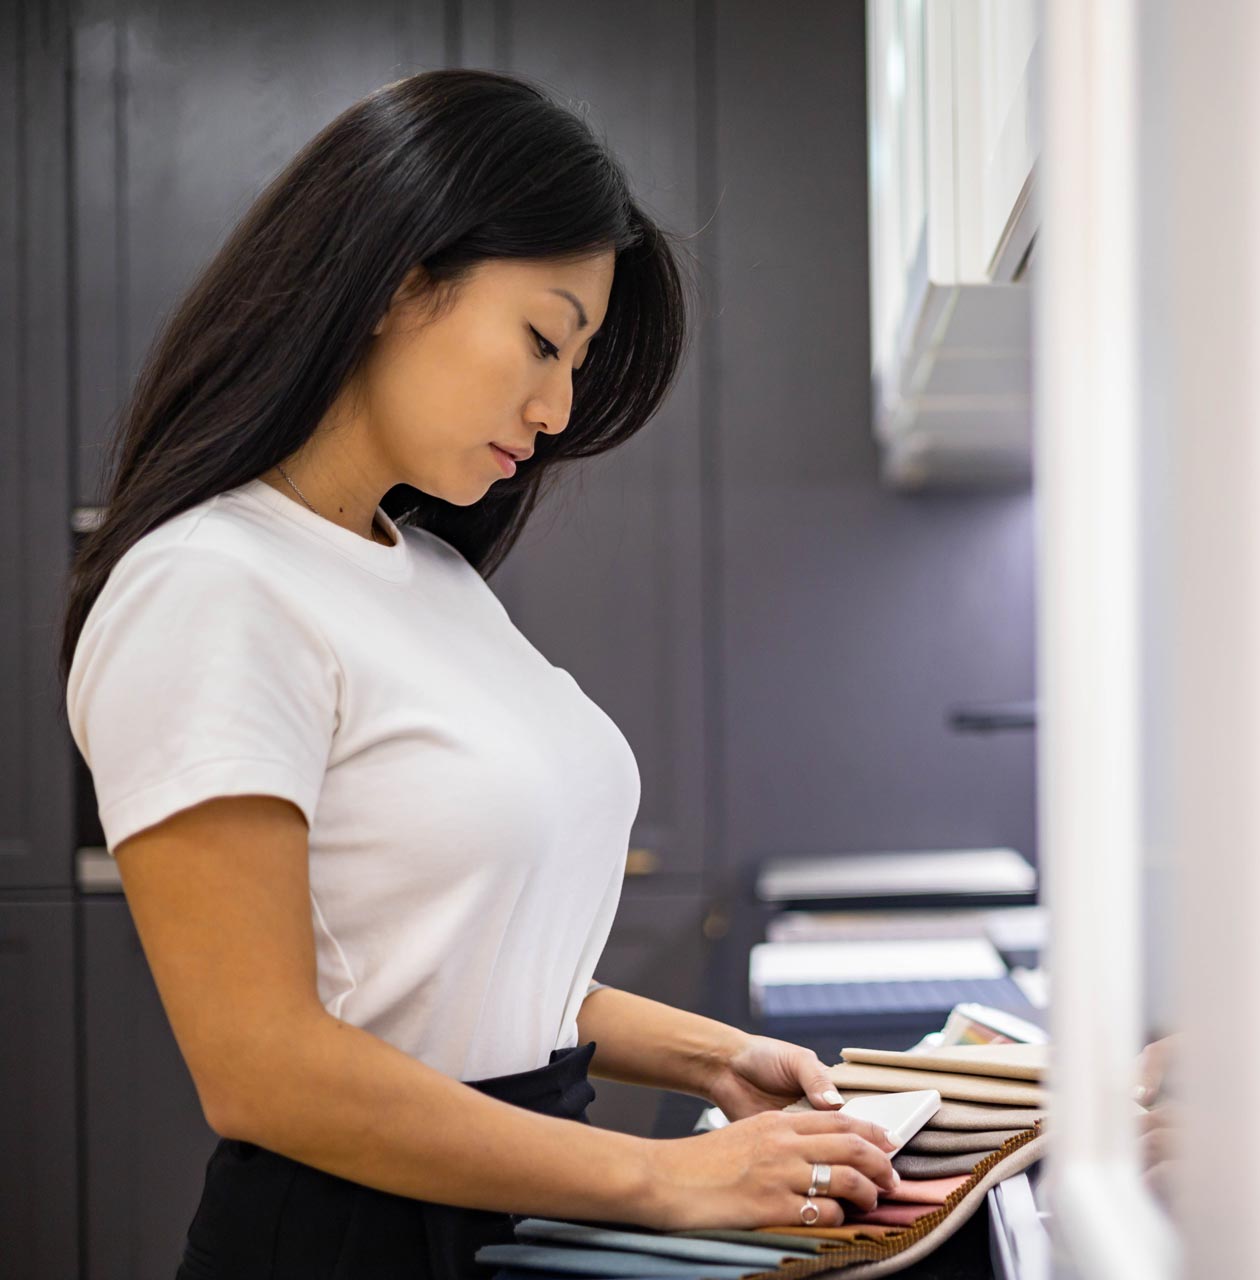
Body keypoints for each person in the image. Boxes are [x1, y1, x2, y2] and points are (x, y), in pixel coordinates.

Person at [59, 68, 896, 1280]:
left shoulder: (433, 575)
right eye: (544, 339)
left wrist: (711, 1057)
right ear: (401, 280)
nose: (557, 406)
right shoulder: (208, 582)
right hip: (359, 1241)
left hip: (518, 1212)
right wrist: (664, 1175)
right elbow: (263, 1068)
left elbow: (455, 979)